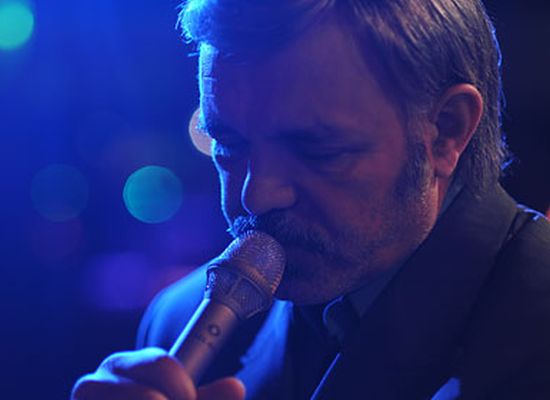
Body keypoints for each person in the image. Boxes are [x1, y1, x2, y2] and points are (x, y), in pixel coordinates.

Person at [72, 0, 550, 399]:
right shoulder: (175, 322)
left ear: (447, 130)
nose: (256, 196)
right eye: (228, 144)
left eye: (316, 150)